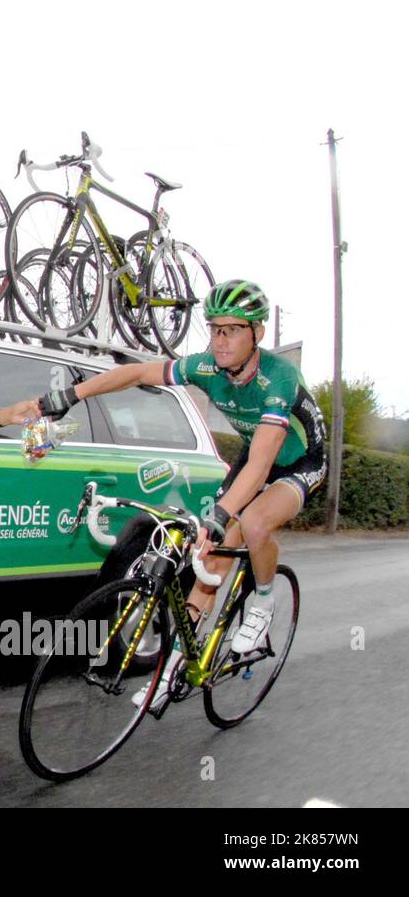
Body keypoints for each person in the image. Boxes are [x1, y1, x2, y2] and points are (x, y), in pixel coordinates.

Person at [34, 280, 326, 709]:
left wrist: (221, 515)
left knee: (253, 522)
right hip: (255, 456)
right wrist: (71, 395)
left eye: (232, 330)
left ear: (257, 334)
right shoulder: (206, 367)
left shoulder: (278, 378)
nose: (220, 341)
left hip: (299, 461)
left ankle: (263, 604)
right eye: (214, 329)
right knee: (211, 559)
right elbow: (137, 373)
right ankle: (170, 671)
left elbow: (263, 464)